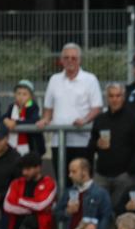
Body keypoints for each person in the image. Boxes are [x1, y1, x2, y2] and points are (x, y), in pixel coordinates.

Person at [37, 43, 103, 177]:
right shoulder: (54, 79)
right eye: (66, 58)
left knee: (83, 181)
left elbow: (97, 108)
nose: (70, 61)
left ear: (80, 60)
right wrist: (45, 119)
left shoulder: (90, 79)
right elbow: (48, 108)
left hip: (83, 142)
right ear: (61, 60)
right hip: (59, 142)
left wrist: (84, 120)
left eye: (74, 58)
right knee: (62, 180)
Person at [88, 82, 135, 205]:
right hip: (102, 174)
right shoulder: (100, 119)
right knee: (98, 210)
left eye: (118, 96)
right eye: (111, 96)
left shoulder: (133, 118)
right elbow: (90, 145)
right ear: (107, 98)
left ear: (123, 97)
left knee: (120, 211)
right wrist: (97, 143)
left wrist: (129, 172)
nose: (115, 99)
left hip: (124, 176)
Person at [53, 158, 113, 229]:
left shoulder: (101, 193)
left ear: (84, 172)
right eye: (69, 172)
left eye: (74, 172)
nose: (70, 175)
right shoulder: (69, 192)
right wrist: (68, 211)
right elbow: (57, 214)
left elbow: (106, 218)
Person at [1, 79, 45, 156]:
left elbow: (33, 120)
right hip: (12, 144)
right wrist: (5, 120)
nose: (21, 97)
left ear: (31, 96)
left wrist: (16, 122)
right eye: (19, 93)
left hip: (30, 146)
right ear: (15, 95)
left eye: (25, 94)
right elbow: (4, 117)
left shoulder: (33, 106)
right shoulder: (12, 107)